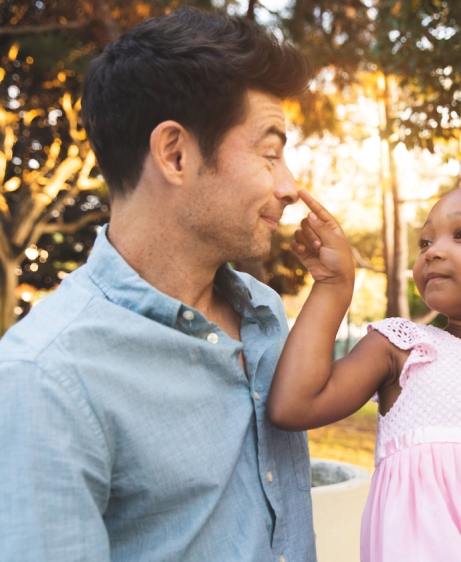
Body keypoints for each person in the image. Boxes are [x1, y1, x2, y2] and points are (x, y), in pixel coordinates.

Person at [0, 9, 317, 561]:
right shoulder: (45, 378)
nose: (290, 187)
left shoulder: (263, 312)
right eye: (270, 152)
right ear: (174, 154)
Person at [267, 185, 461, 561]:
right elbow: (294, 406)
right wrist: (334, 286)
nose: (432, 251)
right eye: (424, 243)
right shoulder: (402, 348)